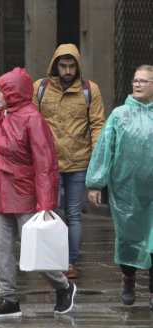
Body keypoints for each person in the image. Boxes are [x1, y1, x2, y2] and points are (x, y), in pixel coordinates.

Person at [0, 68, 76, 318]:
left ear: (13, 92)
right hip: (2, 193)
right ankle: (9, 298)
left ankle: (63, 286)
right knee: (3, 250)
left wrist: (45, 203)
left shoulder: (32, 119)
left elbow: (45, 164)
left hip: (27, 195)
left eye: (0, 91)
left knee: (37, 250)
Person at [33, 43, 105, 278]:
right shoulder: (40, 88)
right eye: (62, 66)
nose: (66, 71)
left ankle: (69, 262)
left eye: (71, 66)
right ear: (55, 65)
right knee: (48, 213)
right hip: (49, 164)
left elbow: (97, 126)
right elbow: (31, 122)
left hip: (78, 164)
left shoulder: (89, 90)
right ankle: (50, 264)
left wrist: (96, 161)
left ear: (78, 67)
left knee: (73, 214)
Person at [86, 64, 153, 310]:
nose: (137, 84)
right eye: (135, 80)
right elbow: (105, 149)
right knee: (128, 239)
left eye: (143, 81)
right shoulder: (120, 115)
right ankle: (129, 277)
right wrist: (95, 183)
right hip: (126, 192)